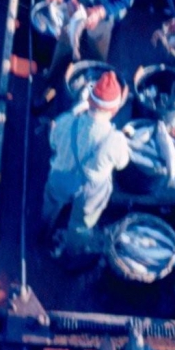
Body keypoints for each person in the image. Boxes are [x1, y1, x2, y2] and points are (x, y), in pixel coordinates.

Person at [34, 0, 134, 111]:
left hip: (104, 8)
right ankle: (54, 77)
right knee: (65, 39)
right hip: (78, 3)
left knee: (96, 49)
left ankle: (92, 87)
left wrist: (101, 12)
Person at [42, 71, 129, 265]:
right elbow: (122, 164)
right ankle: (72, 254)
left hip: (61, 177)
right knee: (81, 224)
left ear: (89, 100)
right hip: (91, 191)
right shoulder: (116, 140)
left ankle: (42, 233)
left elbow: (53, 144)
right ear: (114, 110)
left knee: (51, 203)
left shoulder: (64, 121)